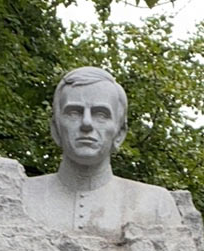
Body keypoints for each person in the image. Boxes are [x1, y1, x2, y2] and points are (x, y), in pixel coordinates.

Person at [23, 66, 182, 239]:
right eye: (74, 113)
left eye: (101, 114)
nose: (86, 124)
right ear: (55, 129)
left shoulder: (155, 204)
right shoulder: (20, 196)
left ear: (120, 134)